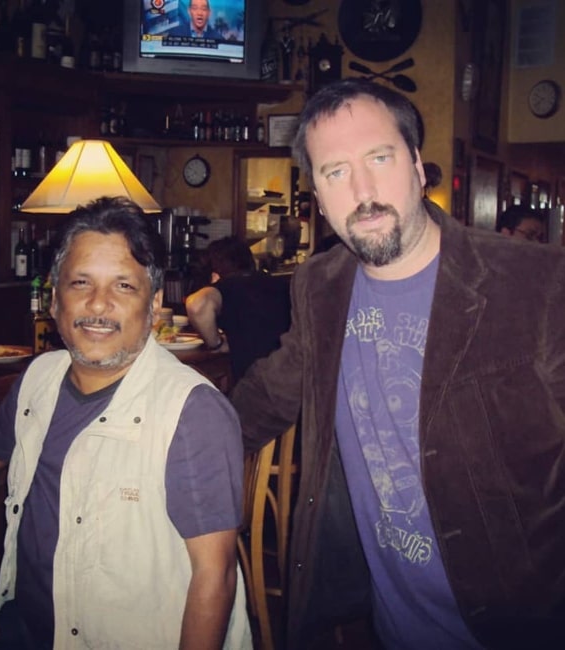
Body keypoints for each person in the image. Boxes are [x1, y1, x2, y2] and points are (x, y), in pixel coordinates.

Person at [230, 78, 565, 650]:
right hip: (388, 629)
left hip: (518, 625)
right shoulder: (320, 285)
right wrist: (170, 428)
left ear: (416, 164)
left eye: (378, 158)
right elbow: (271, 393)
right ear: (316, 191)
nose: (362, 189)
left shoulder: (537, 284)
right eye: (335, 172)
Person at [0, 197, 252, 650]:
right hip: (24, 627)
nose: (98, 304)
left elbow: (216, 577)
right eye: (81, 282)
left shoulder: (192, 414)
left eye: (124, 286)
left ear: (153, 304)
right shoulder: (38, 380)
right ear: (54, 299)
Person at [185, 235, 291, 382]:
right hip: (290, 380)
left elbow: (197, 305)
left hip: (254, 386)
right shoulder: (279, 284)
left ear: (215, 276)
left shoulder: (228, 286)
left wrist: (216, 344)